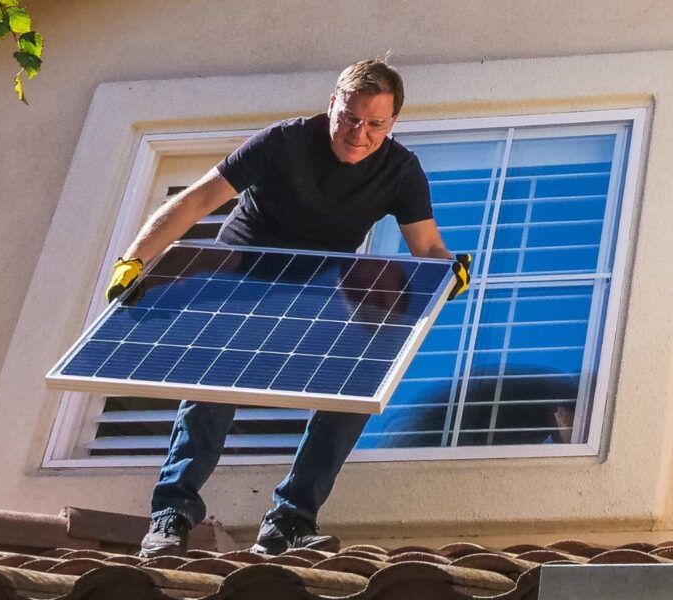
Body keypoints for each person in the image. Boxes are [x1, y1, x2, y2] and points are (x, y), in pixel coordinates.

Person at [105, 59, 471, 557]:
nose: (359, 133)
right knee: (214, 379)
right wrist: (135, 261)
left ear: (392, 124)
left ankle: (290, 520)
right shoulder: (284, 142)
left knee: (361, 377)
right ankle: (172, 515)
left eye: (375, 124)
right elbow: (195, 202)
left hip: (316, 286)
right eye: (349, 118)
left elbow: (426, 247)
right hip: (239, 276)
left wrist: (450, 272)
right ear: (331, 107)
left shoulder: (400, 171)